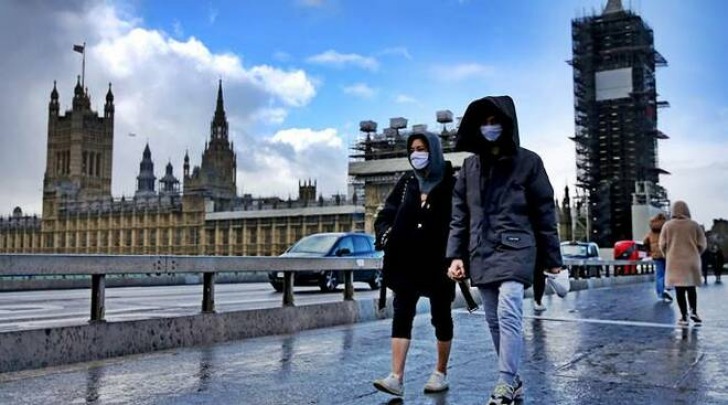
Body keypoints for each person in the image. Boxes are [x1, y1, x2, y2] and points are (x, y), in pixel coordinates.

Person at [446, 96, 563, 405]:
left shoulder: (529, 162)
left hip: (517, 248)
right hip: (481, 251)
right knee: (493, 319)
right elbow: (459, 215)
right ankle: (514, 380)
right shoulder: (469, 167)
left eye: (495, 121)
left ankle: (505, 381)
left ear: (507, 124)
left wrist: (553, 261)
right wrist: (456, 255)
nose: (489, 127)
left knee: (508, 310)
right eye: (484, 123)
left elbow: (544, 213)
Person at [372, 131, 456, 397]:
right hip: (405, 261)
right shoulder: (407, 182)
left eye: (421, 149)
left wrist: (457, 256)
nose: (416, 154)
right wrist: (387, 236)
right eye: (412, 150)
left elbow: (460, 222)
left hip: (438, 263)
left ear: (434, 150)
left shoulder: (452, 184)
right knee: (402, 314)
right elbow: (385, 215)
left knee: (441, 317)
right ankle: (396, 377)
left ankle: (440, 372)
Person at [659, 200, 707, 326]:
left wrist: (667, 255)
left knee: (679, 289)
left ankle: (684, 316)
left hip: (674, 261)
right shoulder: (694, 225)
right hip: (691, 260)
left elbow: (662, 244)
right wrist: (696, 253)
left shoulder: (667, 226)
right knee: (691, 287)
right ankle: (694, 311)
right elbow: (702, 244)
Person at [643, 213, 672, 302]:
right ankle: (666, 287)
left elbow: (645, 242)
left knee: (659, 274)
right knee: (667, 272)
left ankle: (660, 292)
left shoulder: (651, 231)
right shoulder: (666, 229)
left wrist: (650, 251)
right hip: (666, 254)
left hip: (656, 255)